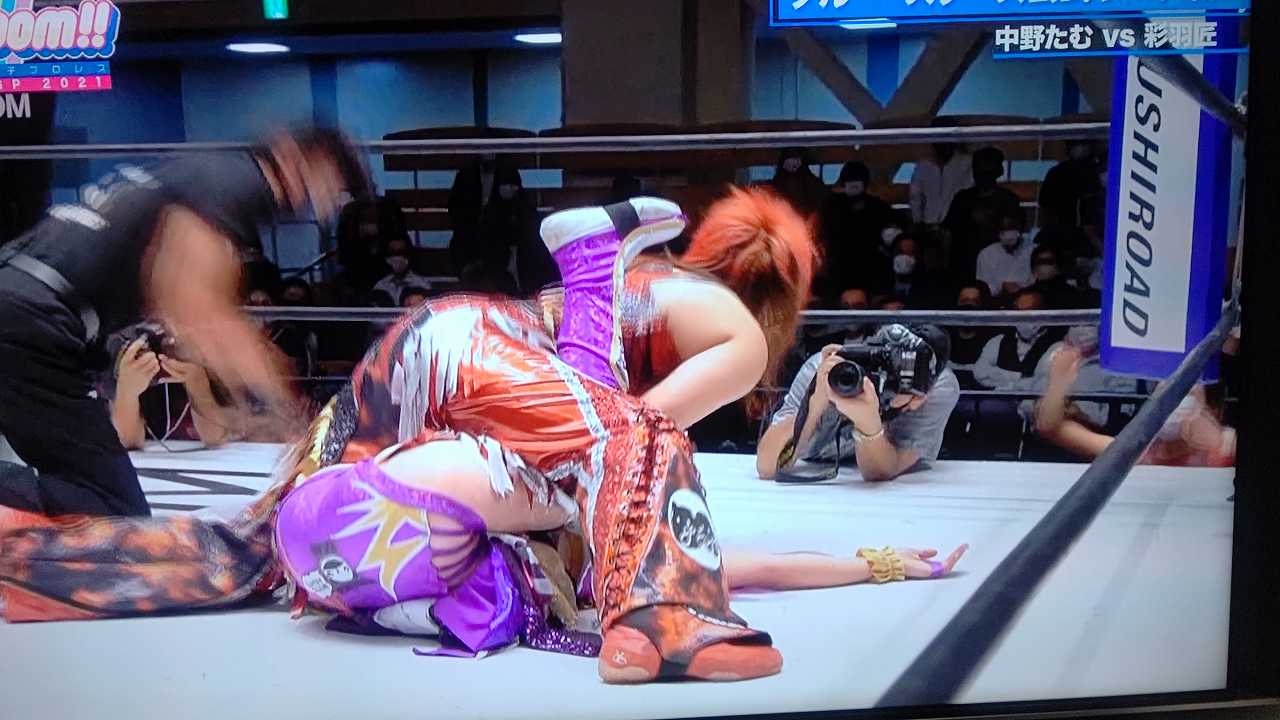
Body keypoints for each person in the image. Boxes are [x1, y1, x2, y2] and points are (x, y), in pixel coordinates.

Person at [0, 190, 967, 684]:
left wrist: (873, 563)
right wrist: (857, 565)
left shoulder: (670, 289)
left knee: (247, 548)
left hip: (434, 352)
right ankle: (664, 625)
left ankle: (27, 558)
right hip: (476, 357)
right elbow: (633, 434)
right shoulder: (743, 339)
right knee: (635, 448)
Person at [0, 127, 369, 517]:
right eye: (329, 184)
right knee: (111, 509)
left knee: (107, 502)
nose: (323, 204)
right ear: (295, 155)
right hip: (32, 321)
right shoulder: (235, 184)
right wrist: (289, 410)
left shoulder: (209, 173)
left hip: (31, 311)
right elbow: (193, 305)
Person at [756, 324, 960, 483]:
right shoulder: (828, 368)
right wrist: (815, 403)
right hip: (815, 463)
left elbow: (881, 471)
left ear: (923, 394)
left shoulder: (941, 389)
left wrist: (868, 425)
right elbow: (767, 466)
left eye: (899, 382)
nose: (884, 384)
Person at [1034, 344, 1235, 467]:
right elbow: (1052, 428)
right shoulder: (1136, 453)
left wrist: (1219, 443)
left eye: (1186, 394)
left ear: (1211, 409)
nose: (1175, 404)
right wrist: (1058, 384)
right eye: (1166, 393)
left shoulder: (1222, 450)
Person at [106, 332, 232, 449]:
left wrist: (198, 385)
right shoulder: (123, 341)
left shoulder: (210, 345)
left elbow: (215, 438)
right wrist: (128, 392)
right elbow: (128, 441)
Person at [817, 161, 893, 304]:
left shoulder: (879, 208)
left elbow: (892, 232)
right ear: (843, 183)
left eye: (857, 180)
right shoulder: (831, 207)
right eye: (849, 180)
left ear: (865, 183)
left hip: (870, 268)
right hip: (838, 269)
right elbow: (819, 234)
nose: (853, 185)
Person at [945, 147, 1022, 282]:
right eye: (978, 167)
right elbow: (948, 233)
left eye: (987, 167)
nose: (981, 172)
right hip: (964, 269)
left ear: (998, 170)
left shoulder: (1009, 200)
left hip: (998, 269)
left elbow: (1014, 238)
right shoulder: (962, 199)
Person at [972, 288, 1063, 391]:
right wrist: (1020, 377)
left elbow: (1042, 384)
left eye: (1029, 311)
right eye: (1018, 311)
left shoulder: (1057, 347)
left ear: (1043, 314)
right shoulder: (998, 341)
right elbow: (980, 373)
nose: (1023, 317)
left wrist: (1001, 380)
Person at [1038, 140, 1103, 229]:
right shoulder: (1058, 172)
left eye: (1086, 145)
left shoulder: (1096, 171)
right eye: (1081, 145)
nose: (1085, 149)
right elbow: (1045, 203)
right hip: (1064, 229)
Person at [909, 137, 973, 226]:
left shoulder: (967, 163)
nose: (942, 144)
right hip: (929, 224)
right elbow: (915, 197)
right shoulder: (923, 165)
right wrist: (918, 222)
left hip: (957, 225)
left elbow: (969, 195)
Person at [975, 209, 1035, 299]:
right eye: (1004, 229)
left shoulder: (1034, 251)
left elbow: (1038, 282)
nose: (1008, 234)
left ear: (1021, 228)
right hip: (996, 303)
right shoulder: (986, 254)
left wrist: (1020, 288)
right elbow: (983, 288)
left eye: (1012, 227)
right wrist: (1002, 286)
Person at [949, 282, 996, 390]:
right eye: (964, 301)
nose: (969, 306)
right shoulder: (944, 339)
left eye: (975, 302)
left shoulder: (993, 342)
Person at [767, 148, 827, 217]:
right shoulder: (779, 181)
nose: (795, 162)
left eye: (797, 159)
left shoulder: (808, 178)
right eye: (792, 158)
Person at [371, 235, 432, 302]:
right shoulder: (380, 285)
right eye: (392, 252)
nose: (397, 257)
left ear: (408, 255)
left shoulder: (421, 284)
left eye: (401, 252)